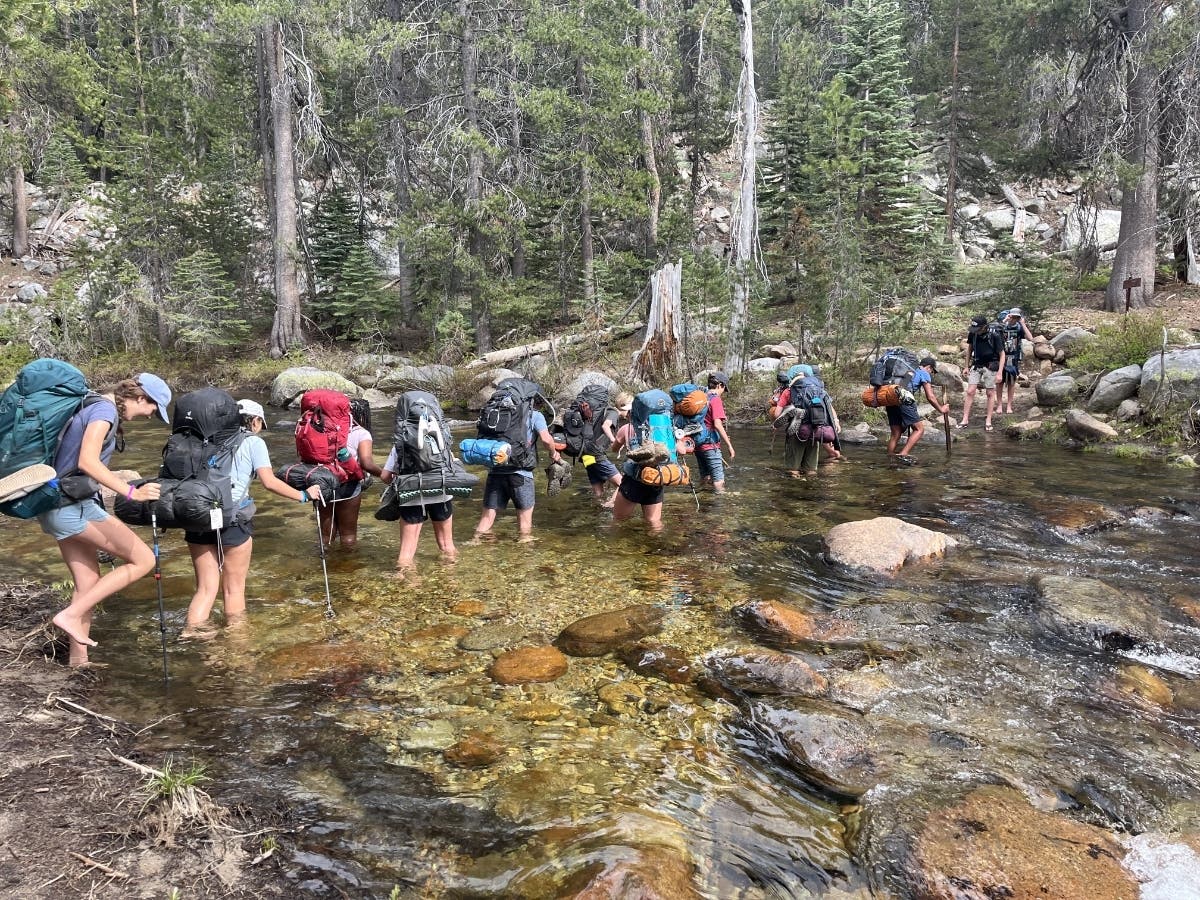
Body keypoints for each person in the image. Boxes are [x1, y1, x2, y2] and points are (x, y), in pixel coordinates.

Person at [42, 374, 173, 666]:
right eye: (154, 408)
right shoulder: (103, 411)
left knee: (87, 582)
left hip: (54, 504)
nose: (152, 416)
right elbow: (86, 461)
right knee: (143, 559)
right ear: (141, 398)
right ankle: (70, 615)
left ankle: (79, 661)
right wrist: (131, 492)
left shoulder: (91, 405)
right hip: (70, 504)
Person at [182, 399, 323, 637]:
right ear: (255, 421)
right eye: (260, 423)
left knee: (205, 589)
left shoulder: (205, 438)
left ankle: (193, 640)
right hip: (232, 519)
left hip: (198, 516)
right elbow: (269, 482)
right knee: (233, 589)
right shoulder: (253, 442)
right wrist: (303, 496)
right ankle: (237, 651)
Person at [471, 402, 561, 543]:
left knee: (487, 518)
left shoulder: (497, 414)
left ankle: (475, 543)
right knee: (524, 524)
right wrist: (553, 453)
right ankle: (523, 555)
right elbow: (546, 439)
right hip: (521, 473)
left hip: (495, 471)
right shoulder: (534, 415)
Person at [316, 398, 383, 549]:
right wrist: (385, 475)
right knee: (348, 536)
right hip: (347, 486)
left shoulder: (322, 428)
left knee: (326, 536)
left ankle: (323, 566)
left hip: (322, 483)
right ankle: (348, 570)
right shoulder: (361, 433)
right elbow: (367, 464)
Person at [380, 447, 457, 571]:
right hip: (441, 495)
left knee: (406, 553)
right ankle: (450, 583)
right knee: (447, 546)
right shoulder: (441, 440)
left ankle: (406, 586)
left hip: (411, 496)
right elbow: (452, 466)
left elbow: (385, 476)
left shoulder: (401, 443)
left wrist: (399, 484)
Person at [770, 369, 842, 477]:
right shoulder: (819, 390)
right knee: (811, 469)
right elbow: (830, 410)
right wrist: (836, 422)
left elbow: (776, 414)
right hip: (816, 430)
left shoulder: (789, 391)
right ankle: (809, 489)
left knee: (793, 468)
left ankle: (795, 488)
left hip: (796, 431)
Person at [887, 357, 950, 459]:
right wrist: (941, 409)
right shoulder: (923, 373)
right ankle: (903, 454)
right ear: (929, 367)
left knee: (896, 433)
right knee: (919, 429)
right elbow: (930, 397)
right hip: (904, 400)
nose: (931, 374)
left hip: (891, 399)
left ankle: (890, 456)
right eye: (932, 371)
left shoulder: (906, 370)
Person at [958, 314, 1006, 431]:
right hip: (976, 364)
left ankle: (988, 420)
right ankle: (965, 419)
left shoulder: (994, 335)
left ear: (984, 327)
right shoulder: (973, 334)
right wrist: (966, 366)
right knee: (970, 391)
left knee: (990, 393)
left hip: (991, 365)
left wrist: (1000, 372)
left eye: (978, 329)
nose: (976, 331)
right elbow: (970, 349)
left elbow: (1002, 354)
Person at [696, 372, 736, 492]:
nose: (723, 391)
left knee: (705, 477)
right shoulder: (715, 400)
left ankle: (702, 498)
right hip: (710, 445)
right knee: (719, 481)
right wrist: (729, 446)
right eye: (724, 388)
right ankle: (719, 507)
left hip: (698, 444)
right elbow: (718, 425)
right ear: (719, 385)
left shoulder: (702, 397)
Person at [998, 308, 1034, 415]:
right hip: (1000, 357)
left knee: (1011, 382)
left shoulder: (1018, 327)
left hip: (1013, 357)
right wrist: (1005, 320)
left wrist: (1022, 324)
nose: (1014, 319)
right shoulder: (1002, 325)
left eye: (1016, 317)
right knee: (999, 382)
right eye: (1012, 316)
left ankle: (1009, 405)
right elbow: (994, 330)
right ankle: (999, 405)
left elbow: (1030, 338)